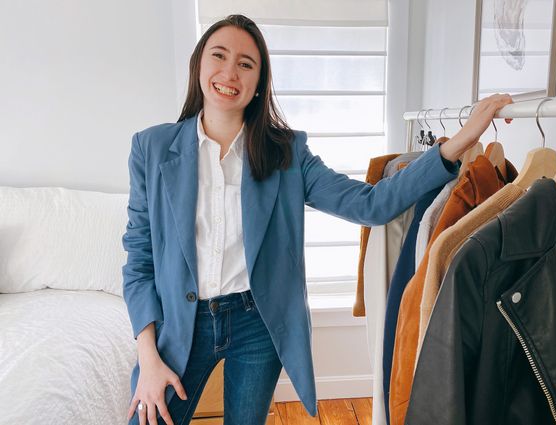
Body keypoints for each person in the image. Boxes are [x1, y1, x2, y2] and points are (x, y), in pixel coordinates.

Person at [122, 13, 513, 425]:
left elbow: (371, 204)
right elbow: (139, 260)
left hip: (258, 325)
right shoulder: (152, 148)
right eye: (218, 55)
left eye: (246, 64)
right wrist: (148, 358)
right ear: (199, 64)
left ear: (258, 84)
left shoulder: (286, 154)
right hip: (182, 324)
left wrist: (459, 142)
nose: (229, 72)